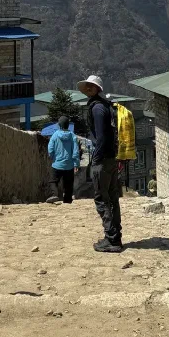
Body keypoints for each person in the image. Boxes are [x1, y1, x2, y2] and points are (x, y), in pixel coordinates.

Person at [78, 74, 123, 252]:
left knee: (102, 199)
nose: (88, 88)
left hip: (103, 159)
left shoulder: (97, 109)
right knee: (112, 198)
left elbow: (102, 136)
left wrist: (96, 158)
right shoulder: (106, 106)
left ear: (98, 89)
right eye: (87, 86)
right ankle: (116, 236)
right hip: (112, 158)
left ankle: (111, 239)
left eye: (91, 86)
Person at [46, 116, 81, 204]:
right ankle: (67, 199)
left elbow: (50, 148)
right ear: (68, 125)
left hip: (57, 164)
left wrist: (53, 158)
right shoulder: (72, 136)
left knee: (53, 181)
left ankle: (55, 194)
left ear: (59, 125)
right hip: (69, 165)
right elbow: (76, 151)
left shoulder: (55, 135)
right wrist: (76, 164)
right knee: (68, 184)